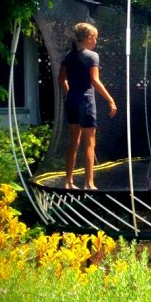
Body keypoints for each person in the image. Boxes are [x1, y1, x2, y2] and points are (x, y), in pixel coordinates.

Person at [58, 22, 117, 190]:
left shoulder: (69, 56)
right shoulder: (92, 56)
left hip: (72, 101)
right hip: (85, 102)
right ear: (89, 38)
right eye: (96, 38)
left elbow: (61, 79)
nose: (96, 41)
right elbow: (95, 80)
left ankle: (68, 181)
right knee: (90, 144)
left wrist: (70, 92)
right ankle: (89, 183)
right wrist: (110, 100)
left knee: (73, 142)